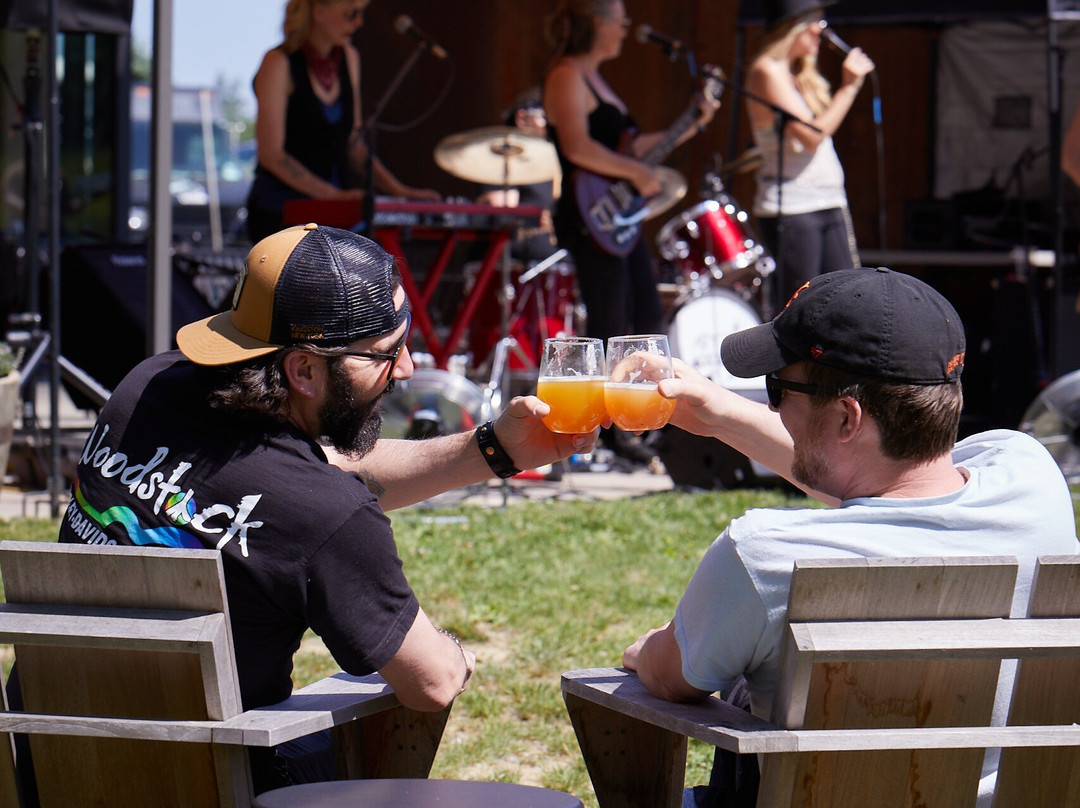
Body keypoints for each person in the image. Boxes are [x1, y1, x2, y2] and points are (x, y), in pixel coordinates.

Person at [35, 224, 595, 795]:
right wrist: (453, 652)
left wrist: (495, 450)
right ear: (302, 370)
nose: (403, 370)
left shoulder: (145, 387)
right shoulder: (325, 515)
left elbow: (314, 472)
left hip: (51, 764)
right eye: (384, 352)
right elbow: (432, 681)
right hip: (218, 785)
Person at [623, 267, 1079, 808]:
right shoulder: (1032, 474)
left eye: (778, 388)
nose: (772, 407)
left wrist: (645, 651)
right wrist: (722, 414)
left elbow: (670, 678)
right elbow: (888, 482)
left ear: (847, 417)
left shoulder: (765, 555)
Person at [543, 0, 717, 466]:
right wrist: (635, 174)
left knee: (644, 317)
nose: (626, 28)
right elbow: (578, 147)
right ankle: (598, 432)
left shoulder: (598, 80)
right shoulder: (566, 76)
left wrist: (687, 125)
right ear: (597, 23)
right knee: (608, 319)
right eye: (620, 19)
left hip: (619, 220)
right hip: (588, 216)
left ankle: (636, 421)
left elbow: (630, 146)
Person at [245, 0, 440, 243]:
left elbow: (354, 145)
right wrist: (333, 196)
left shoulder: (349, 58)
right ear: (319, 12)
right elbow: (272, 155)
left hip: (333, 214)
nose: (359, 22)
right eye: (351, 14)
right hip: (281, 212)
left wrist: (400, 192)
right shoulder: (278, 62)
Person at [746, 0, 874, 312]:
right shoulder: (767, 70)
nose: (822, 29)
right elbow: (813, 136)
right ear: (792, 27)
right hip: (794, 209)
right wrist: (849, 87)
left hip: (828, 201)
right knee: (804, 308)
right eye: (814, 20)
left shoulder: (796, 74)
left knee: (846, 300)